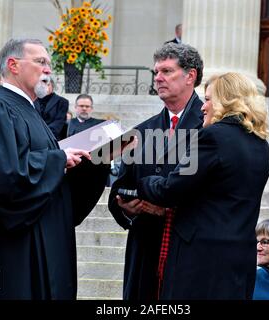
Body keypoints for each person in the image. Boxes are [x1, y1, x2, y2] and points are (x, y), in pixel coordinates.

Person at [0, 38, 109, 300]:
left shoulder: (30, 111)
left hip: (48, 230)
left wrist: (92, 162)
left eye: (49, 63)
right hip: (21, 244)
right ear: (13, 65)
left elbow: (42, 165)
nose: (48, 70)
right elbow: (1, 175)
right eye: (40, 62)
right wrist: (58, 160)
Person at [135, 72, 269, 299]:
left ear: (227, 100)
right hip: (240, 255)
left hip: (201, 259)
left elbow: (171, 189)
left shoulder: (212, 137)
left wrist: (143, 183)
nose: (202, 107)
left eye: (208, 99)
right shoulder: (260, 143)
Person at [108, 42, 205, 300]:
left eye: (166, 71)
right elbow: (118, 188)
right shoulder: (141, 131)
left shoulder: (211, 127)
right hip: (146, 251)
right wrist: (125, 207)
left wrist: (167, 209)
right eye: (155, 72)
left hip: (190, 248)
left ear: (190, 76)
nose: (158, 78)